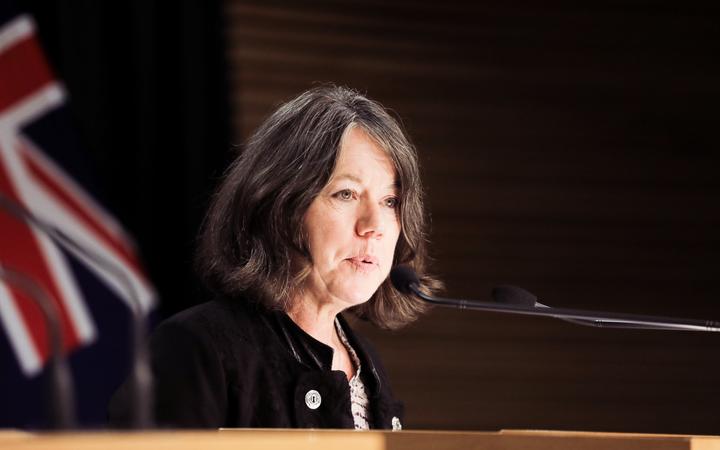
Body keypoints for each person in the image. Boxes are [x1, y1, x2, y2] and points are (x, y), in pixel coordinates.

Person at [108, 85, 439, 429]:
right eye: (346, 193)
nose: (374, 226)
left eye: (390, 201)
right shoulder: (198, 347)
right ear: (281, 208)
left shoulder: (368, 364)